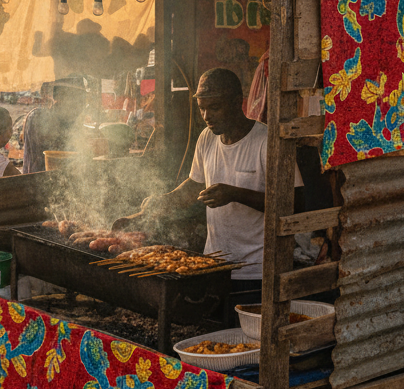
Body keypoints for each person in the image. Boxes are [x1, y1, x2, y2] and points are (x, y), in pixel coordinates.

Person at [121, 67, 302, 309]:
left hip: (257, 271)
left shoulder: (267, 143)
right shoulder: (206, 137)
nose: (207, 116)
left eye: (214, 108)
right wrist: (164, 201)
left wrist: (234, 194)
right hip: (213, 266)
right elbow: (194, 185)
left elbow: (295, 204)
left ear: (238, 102)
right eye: (202, 108)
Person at [21, 76, 87, 174]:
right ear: (58, 96)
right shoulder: (38, 117)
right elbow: (54, 149)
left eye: (82, 100)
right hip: (38, 184)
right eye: (75, 99)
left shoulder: (72, 125)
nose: (80, 106)